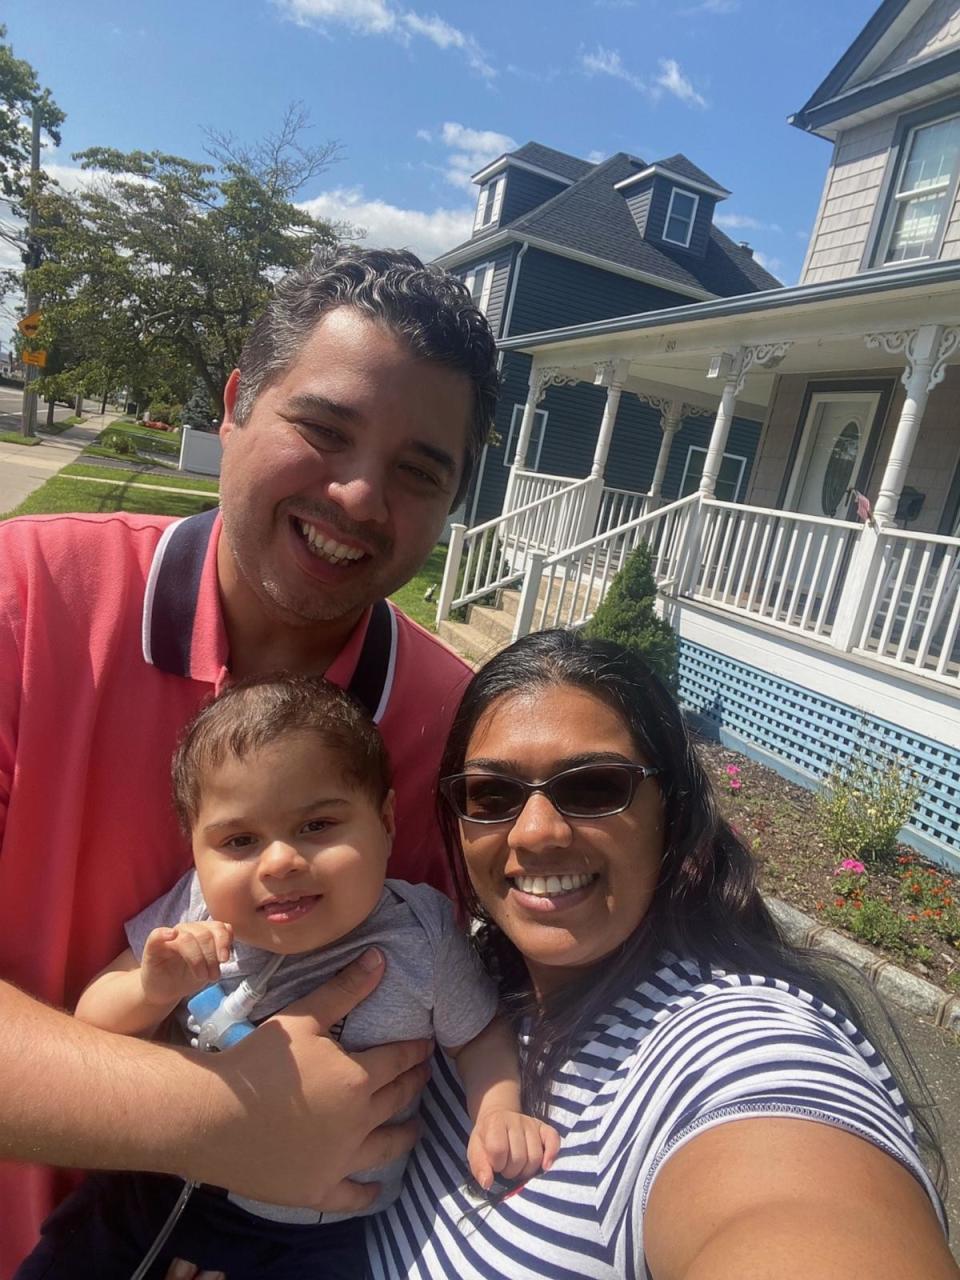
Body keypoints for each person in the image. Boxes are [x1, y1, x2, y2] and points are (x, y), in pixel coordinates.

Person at [0, 247, 499, 1275]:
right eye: (322, 428)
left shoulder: (460, 734)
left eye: (419, 470)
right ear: (235, 404)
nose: (361, 493)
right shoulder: (24, 598)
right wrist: (222, 1115)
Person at [365, 630, 957, 1280]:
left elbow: (795, 1205)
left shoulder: (736, 1049)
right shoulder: (463, 975)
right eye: (492, 796)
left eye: (593, 787)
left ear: (671, 813)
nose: (535, 832)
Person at [17, 675, 558, 1279]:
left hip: (316, 1231)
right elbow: (93, 1018)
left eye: (317, 825)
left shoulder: (421, 934)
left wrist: (498, 1109)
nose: (280, 861)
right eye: (240, 840)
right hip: (160, 1186)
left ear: (385, 822)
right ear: (195, 851)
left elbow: (479, 1036)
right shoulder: (195, 911)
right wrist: (152, 987)